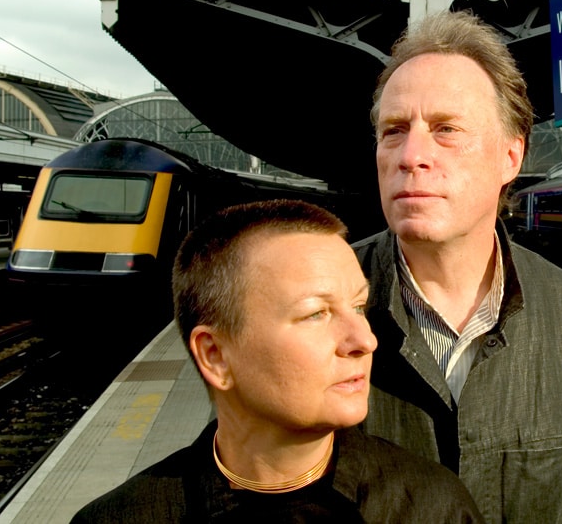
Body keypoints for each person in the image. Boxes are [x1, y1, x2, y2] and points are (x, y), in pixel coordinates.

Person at [354, 10, 562, 523]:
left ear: (510, 157)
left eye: (447, 129)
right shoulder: (307, 307)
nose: (412, 154)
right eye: (393, 131)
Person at [72, 199, 483, 523]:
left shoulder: (433, 506)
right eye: (315, 313)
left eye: (358, 306)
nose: (365, 340)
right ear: (214, 355)